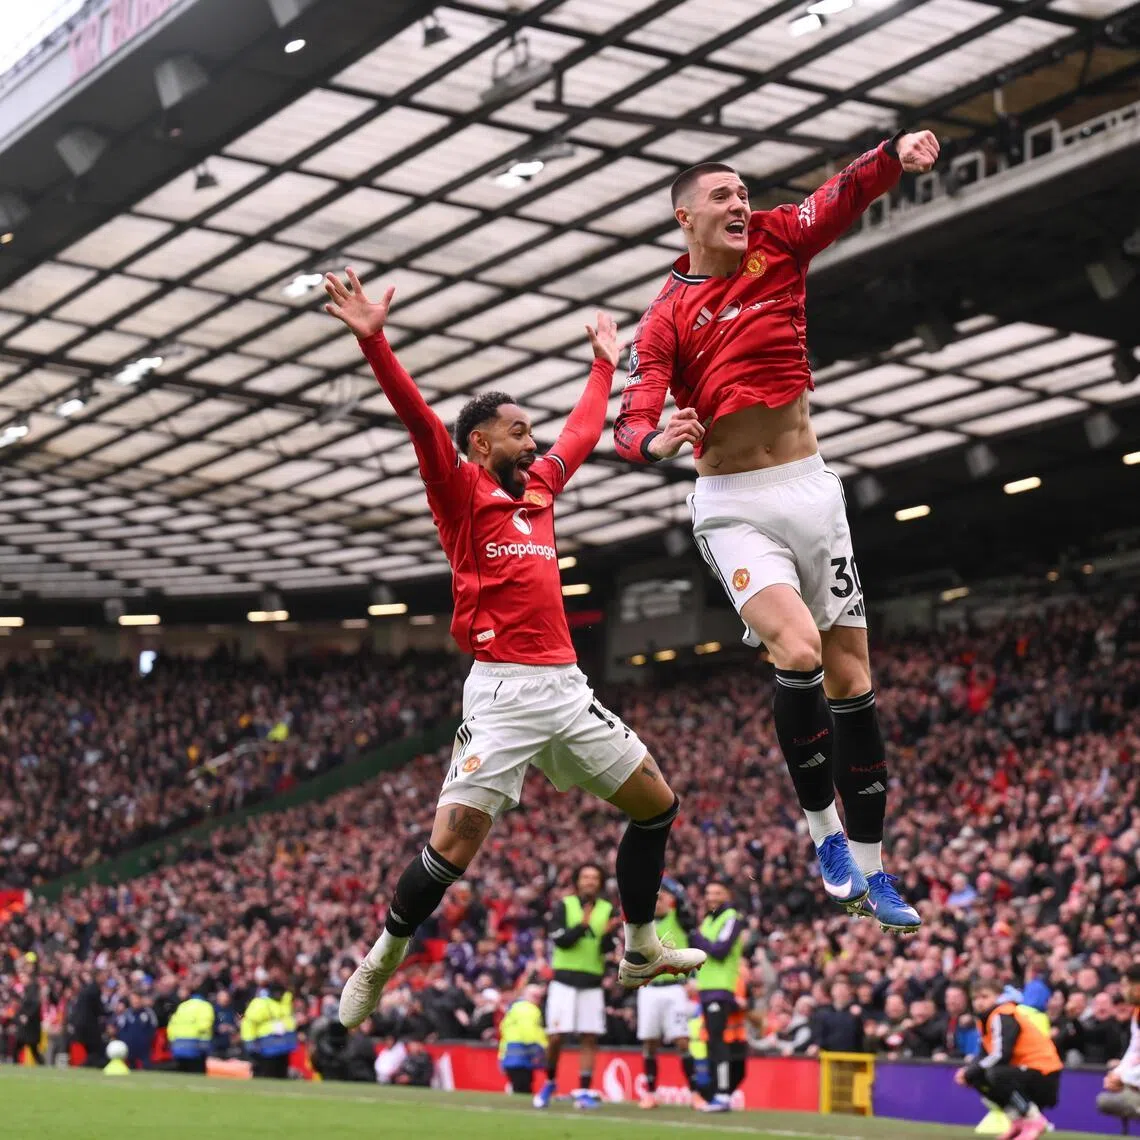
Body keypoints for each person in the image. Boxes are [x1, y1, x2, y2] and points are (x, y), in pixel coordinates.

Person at [323, 273, 705, 1038]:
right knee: (454, 845)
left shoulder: (540, 491)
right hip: (501, 694)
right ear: (481, 443)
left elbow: (583, 435)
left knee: (657, 805)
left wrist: (603, 365)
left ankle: (639, 947)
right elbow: (418, 418)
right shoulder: (458, 491)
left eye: (533, 433)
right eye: (520, 432)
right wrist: (374, 340)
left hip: (566, 688)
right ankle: (385, 952)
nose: (534, 443)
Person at [613, 131, 940, 933]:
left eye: (742, 192)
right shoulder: (664, 318)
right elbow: (633, 418)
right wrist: (655, 442)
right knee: (797, 653)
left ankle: (873, 867)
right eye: (722, 196)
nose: (740, 203)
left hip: (812, 491)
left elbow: (842, 196)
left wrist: (892, 154)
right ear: (685, 218)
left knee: (852, 679)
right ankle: (824, 831)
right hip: (735, 504)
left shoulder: (779, 240)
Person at [539, 864, 618, 1110]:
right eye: (585, 877)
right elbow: (560, 940)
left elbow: (607, 949)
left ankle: (584, 1090)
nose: (590, 882)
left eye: (595, 878)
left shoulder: (608, 909)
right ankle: (550, 1082)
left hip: (592, 981)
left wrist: (608, 935)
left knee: (589, 1037)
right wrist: (583, 925)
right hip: (563, 981)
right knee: (556, 1037)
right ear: (577, 881)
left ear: (600, 882)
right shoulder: (564, 906)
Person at [955, 977, 1063, 1140]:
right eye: (975, 998)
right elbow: (984, 1054)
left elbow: (1001, 1054)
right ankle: (1018, 1121)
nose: (979, 1002)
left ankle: (1034, 1120)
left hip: (1044, 1073)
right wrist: (968, 1072)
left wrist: (971, 1070)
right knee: (977, 1077)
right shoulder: (985, 1019)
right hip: (1024, 1072)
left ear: (998, 996)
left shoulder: (1003, 1014)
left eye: (985, 997)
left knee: (995, 1073)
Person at [636, 881, 696, 1109]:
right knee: (650, 1042)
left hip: (675, 988)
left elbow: (683, 899)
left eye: (660, 898)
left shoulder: (678, 918)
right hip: (649, 988)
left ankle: (695, 1093)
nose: (657, 903)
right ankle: (651, 1094)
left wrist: (662, 880)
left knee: (682, 1040)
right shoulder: (642, 924)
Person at [688, 880, 745, 1112]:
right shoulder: (708, 919)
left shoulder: (731, 917)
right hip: (706, 988)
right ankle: (716, 1094)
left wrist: (695, 936)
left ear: (727, 895)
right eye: (709, 892)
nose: (712, 896)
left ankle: (722, 1094)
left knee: (718, 1041)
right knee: (712, 1040)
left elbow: (720, 950)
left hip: (721, 988)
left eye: (717, 892)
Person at [1098, 964, 1140, 1124]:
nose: (1123, 991)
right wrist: (1117, 1073)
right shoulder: (1137, 1013)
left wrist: (1124, 1078)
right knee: (1105, 1100)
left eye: (1126, 985)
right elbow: (1134, 1050)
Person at [499, 985, 548, 1097]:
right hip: (521, 1056)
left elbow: (505, 1036)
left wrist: (501, 1058)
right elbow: (529, 1033)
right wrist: (540, 1049)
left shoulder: (516, 1008)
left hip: (512, 1056)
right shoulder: (528, 1009)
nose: (538, 999)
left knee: (520, 1087)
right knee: (523, 1089)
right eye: (535, 996)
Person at [166, 987, 214, 1075]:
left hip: (179, 1042)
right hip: (196, 1043)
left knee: (182, 1071)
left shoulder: (183, 1005)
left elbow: (172, 1023)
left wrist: (172, 1039)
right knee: (196, 1072)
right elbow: (205, 1025)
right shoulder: (205, 1006)